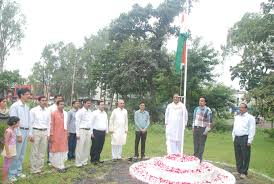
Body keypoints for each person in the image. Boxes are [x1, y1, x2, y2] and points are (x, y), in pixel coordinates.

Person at [8, 88, 31, 182]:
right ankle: (11, 174)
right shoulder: (15, 106)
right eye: (27, 94)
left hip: (26, 131)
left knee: (21, 154)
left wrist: (29, 133)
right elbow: (13, 121)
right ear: (21, 95)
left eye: (29, 94)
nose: (29, 96)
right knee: (15, 154)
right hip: (18, 132)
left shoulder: (27, 106)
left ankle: (18, 171)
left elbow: (29, 121)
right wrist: (18, 134)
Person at [232, 103, 256, 179]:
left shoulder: (250, 117)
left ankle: (244, 172)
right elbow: (234, 127)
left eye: (242, 107)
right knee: (238, 155)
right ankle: (239, 170)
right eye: (240, 107)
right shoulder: (237, 117)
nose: (240, 109)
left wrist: (250, 140)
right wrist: (233, 137)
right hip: (237, 138)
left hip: (245, 138)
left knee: (245, 156)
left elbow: (252, 129)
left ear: (246, 109)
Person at [29, 96, 51, 174]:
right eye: (42, 100)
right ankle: (33, 169)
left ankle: (39, 168)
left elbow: (49, 123)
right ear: (39, 101)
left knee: (42, 151)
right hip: (36, 131)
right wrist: (30, 134)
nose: (44, 102)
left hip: (44, 132)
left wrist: (48, 134)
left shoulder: (48, 111)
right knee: (34, 151)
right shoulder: (33, 110)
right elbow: (30, 123)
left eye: (45, 100)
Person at [49, 100, 68, 172]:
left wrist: (67, 132)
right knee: (56, 150)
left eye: (63, 104)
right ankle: (56, 165)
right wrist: (51, 134)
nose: (62, 106)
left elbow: (66, 124)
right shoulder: (53, 113)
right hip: (55, 134)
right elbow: (51, 124)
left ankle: (61, 164)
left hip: (63, 134)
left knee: (63, 149)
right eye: (61, 104)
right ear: (57, 105)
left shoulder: (65, 113)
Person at [192, 96, 212, 162]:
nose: (200, 102)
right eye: (200, 100)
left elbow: (209, 122)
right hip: (196, 128)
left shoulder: (208, 110)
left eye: (202, 101)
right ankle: (195, 157)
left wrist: (206, 131)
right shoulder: (196, 109)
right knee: (195, 143)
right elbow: (194, 119)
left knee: (201, 144)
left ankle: (199, 159)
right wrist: (193, 127)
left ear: (205, 102)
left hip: (203, 129)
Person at [75, 99, 92, 167]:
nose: (89, 104)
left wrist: (91, 132)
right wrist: (77, 133)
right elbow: (77, 123)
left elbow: (91, 123)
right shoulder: (80, 112)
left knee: (87, 146)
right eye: (88, 103)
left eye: (90, 103)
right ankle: (78, 162)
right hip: (82, 130)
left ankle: (84, 161)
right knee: (80, 147)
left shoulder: (90, 111)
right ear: (84, 103)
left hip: (88, 130)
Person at [2, 116, 19, 184]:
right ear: (14, 123)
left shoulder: (13, 130)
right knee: (6, 165)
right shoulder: (8, 131)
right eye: (18, 123)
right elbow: (5, 142)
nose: (19, 124)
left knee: (8, 165)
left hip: (12, 148)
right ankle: (4, 180)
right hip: (8, 149)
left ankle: (6, 179)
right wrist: (8, 152)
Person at [90, 101, 108, 165]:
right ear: (98, 106)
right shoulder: (94, 113)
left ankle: (97, 159)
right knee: (95, 146)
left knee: (100, 146)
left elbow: (106, 122)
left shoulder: (105, 113)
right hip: (96, 132)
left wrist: (106, 130)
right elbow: (91, 123)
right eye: (101, 105)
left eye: (103, 105)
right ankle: (93, 160)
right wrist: (91, 132)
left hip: (102, 132)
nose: (103, 106)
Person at [47, 94, 63, 164]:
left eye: (61, 98)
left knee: (58, 145)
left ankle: (57, 159)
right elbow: (49, 120)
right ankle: (50, 159)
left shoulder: (62, 108)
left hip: (60, 130)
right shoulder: (51, 108)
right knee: (51, 145)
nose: (59, 99)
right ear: (55, 99)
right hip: (52, 129)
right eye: (58, 98)